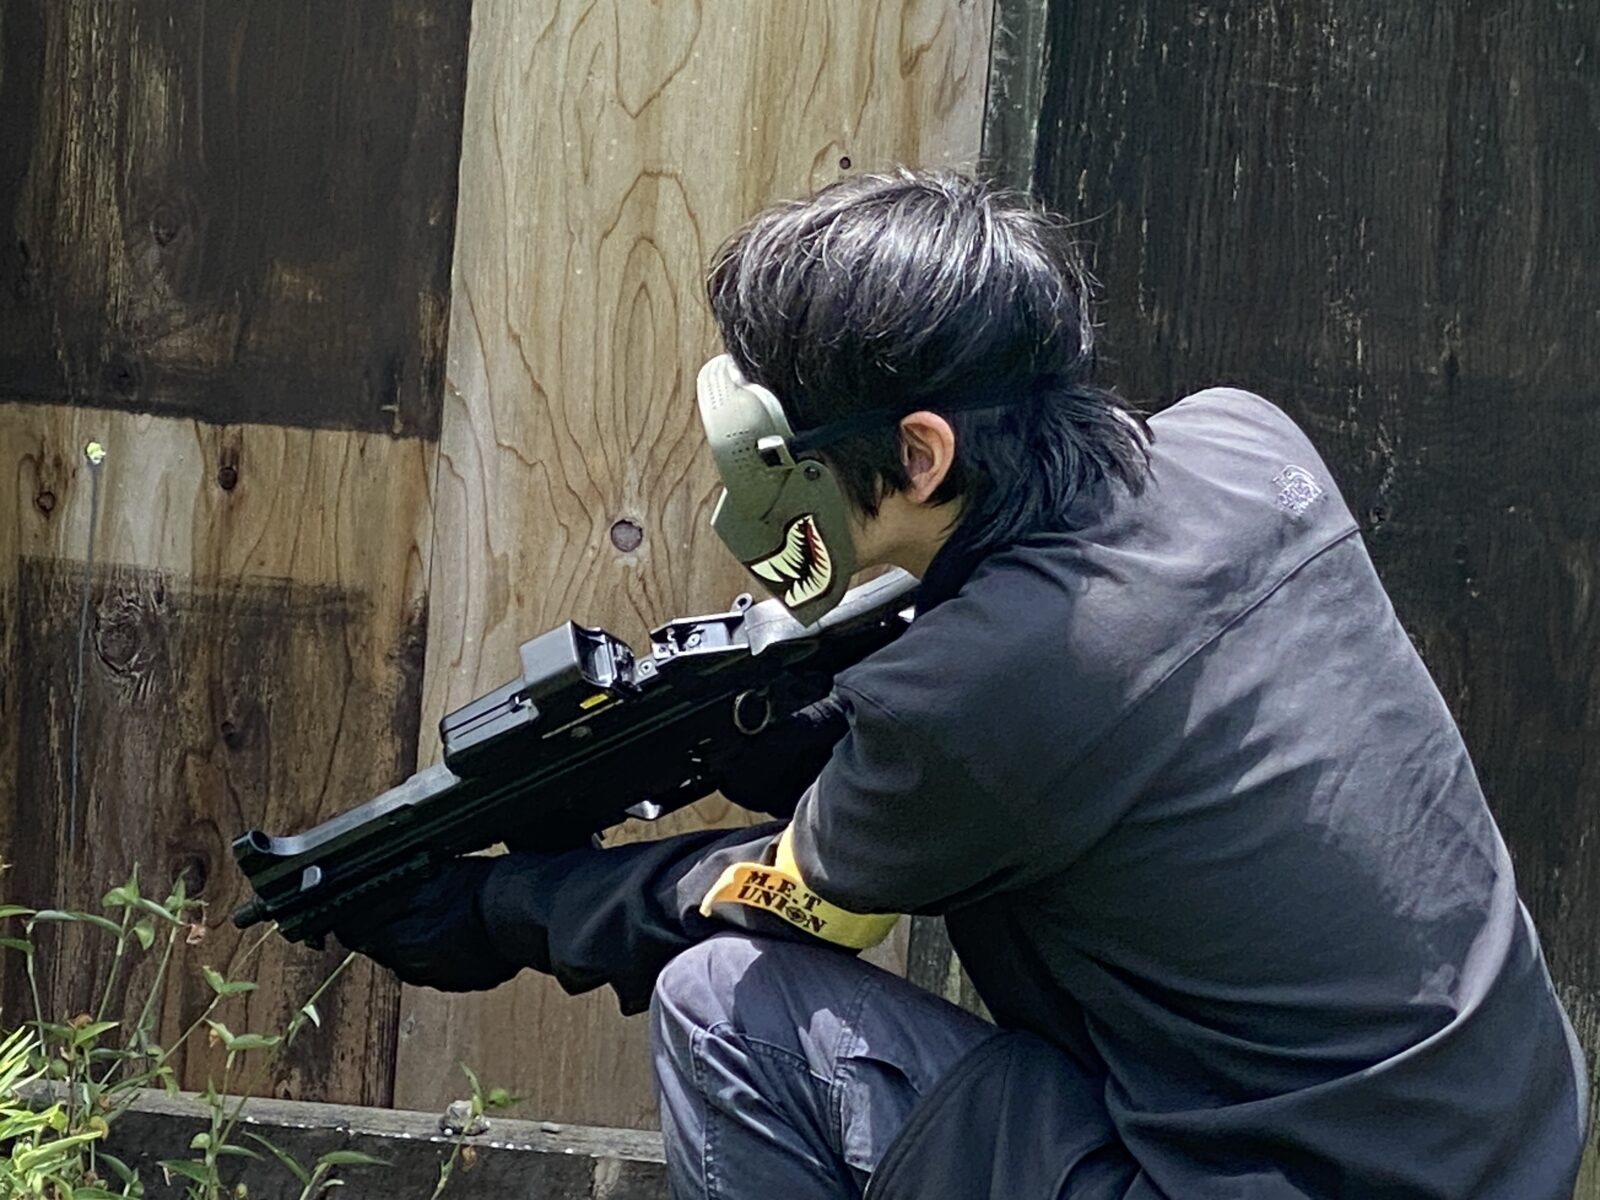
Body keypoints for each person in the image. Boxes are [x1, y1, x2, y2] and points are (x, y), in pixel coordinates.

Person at [335, 170, 1588, 1198]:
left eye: (773, 442)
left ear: (921, 453)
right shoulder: (1244, 446)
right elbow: (1068, 738)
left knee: (723, 1006)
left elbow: (799, 899)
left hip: (1281, 1181)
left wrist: (504, 909)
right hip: (1497, 1148)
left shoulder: (975, 695)